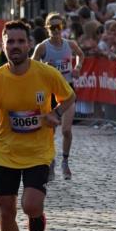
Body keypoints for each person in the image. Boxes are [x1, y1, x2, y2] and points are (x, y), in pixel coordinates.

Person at [0, 20, 75, 231]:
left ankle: (36, 214)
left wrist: (56, 114)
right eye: (10, 41)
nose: (16, 46)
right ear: (3, 45)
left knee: (30, 205)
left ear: (30, 44)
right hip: (4, 151)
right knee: (5, 209)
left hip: (38, 151)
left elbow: (69, 97)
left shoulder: (46, 73)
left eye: (21, 41)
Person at [32, 11, 84, 181]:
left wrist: (77, 67)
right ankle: (51, 161)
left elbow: (81, 55)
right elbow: (31, 65)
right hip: (50, 94)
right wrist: (43, 67)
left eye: (59, 26)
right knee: (50, 131)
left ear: (63, 27)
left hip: (67, 91)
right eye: (52, 27)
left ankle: (65, 161)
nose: (56, 30)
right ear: (47, 28)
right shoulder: (42, 47)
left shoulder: (70, 44)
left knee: (66, 130)